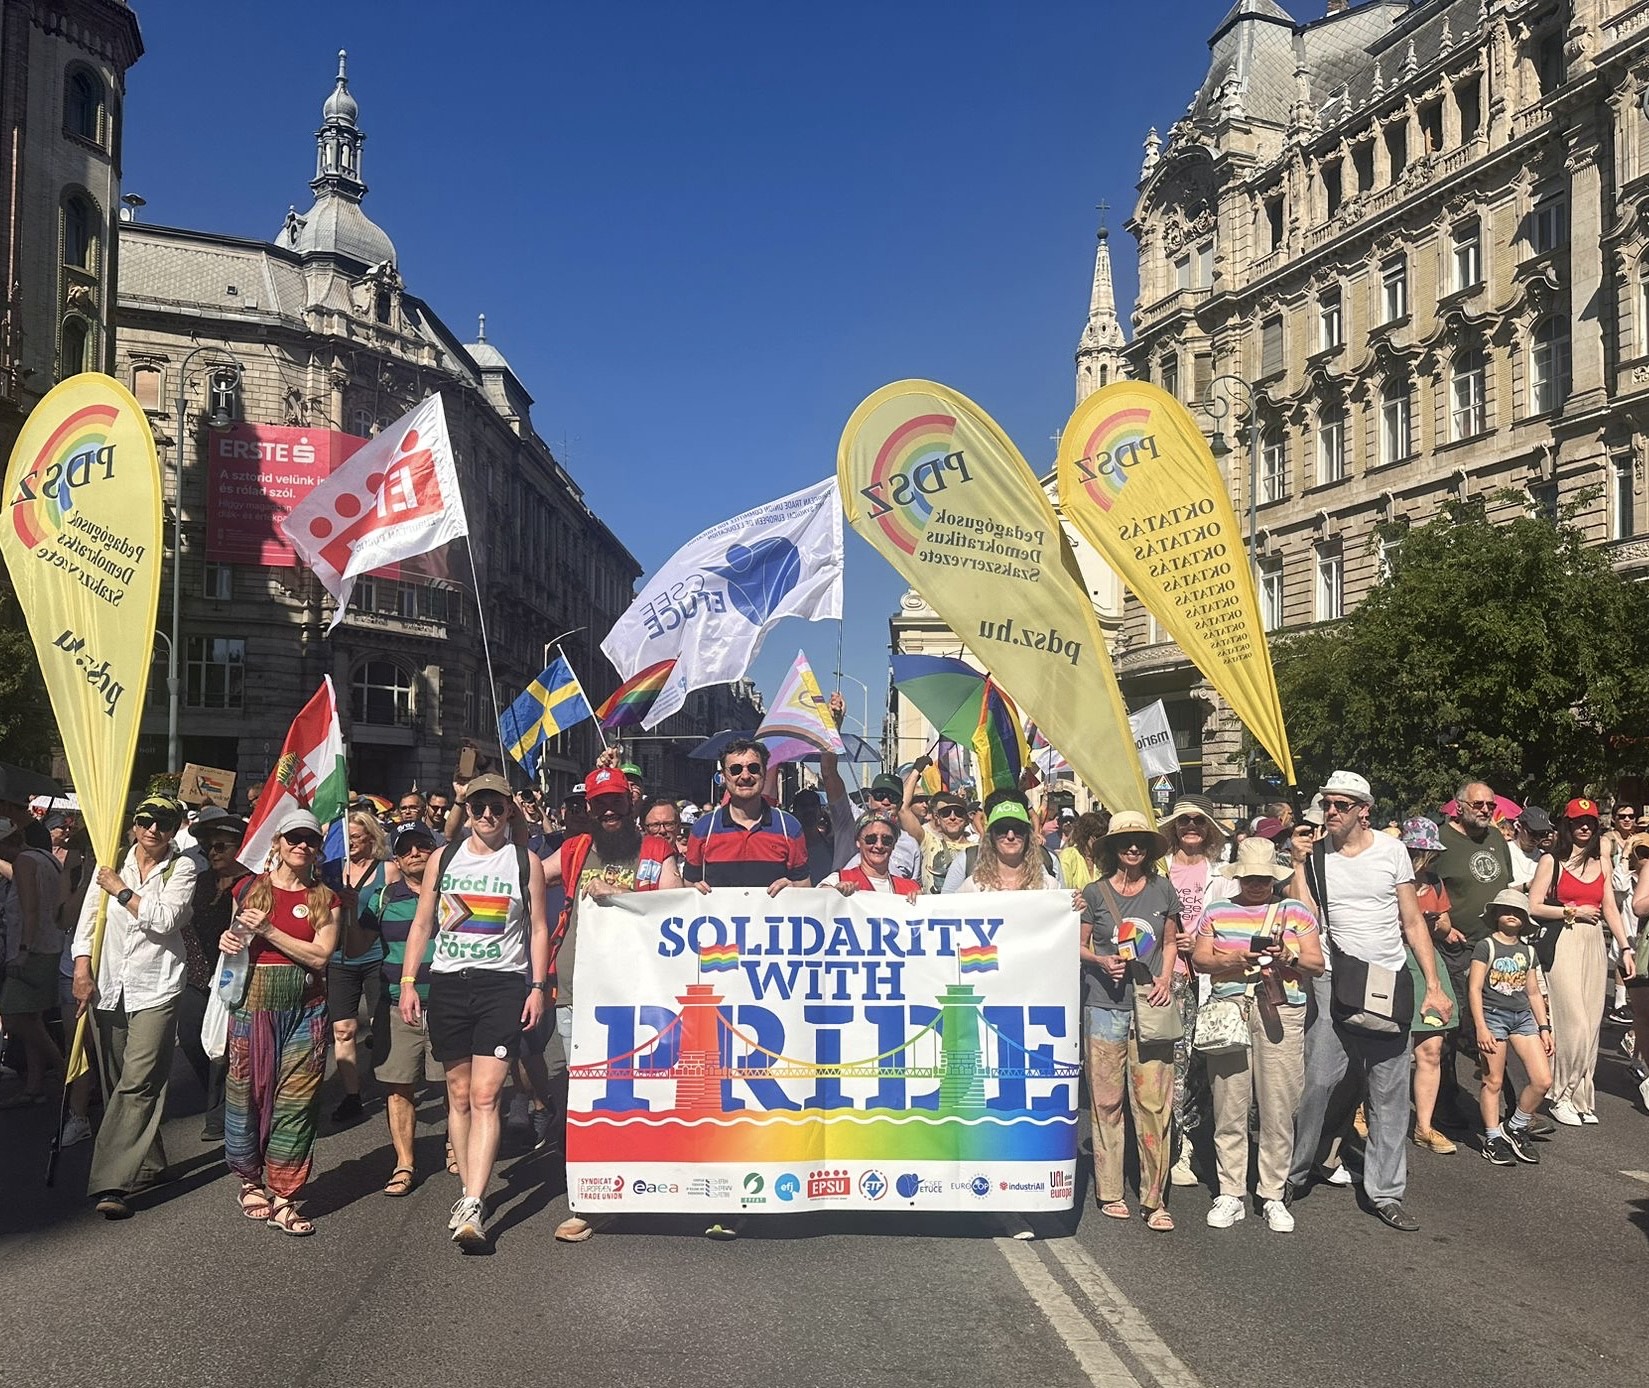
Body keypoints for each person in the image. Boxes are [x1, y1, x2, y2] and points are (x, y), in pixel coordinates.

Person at [1287, 771, 1450, 1233]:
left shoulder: (1392, 851)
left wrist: (1433, 984)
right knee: (1318, 1082)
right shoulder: (1316, 856)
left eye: (1341, 804)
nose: (1331, 812)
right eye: (1327, 804)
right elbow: (1305, 919)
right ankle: (1296, 1174)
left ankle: (1385, 1192)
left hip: (1387, 979)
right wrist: (1299, 864)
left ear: (1364, 810)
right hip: (1335, 979)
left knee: (1389, 1091)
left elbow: (1414, 921)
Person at [399, 773, 550, 1250]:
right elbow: (423, 922)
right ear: (467, 810)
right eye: (479, 806)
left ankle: (474, 1201)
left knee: (487, 1095)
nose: (487, 814)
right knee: (458, 1095)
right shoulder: (444, 858)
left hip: (501, 985)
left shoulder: (526, 863)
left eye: (497, 807)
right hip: (447, 983)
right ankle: (468, 1192)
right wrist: (408, 981)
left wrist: (538, 986)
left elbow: (540, 928)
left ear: (510, 811)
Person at [543, 765, 681, 1241]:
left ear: (632, 803)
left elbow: (674, 907)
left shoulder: (657, 851)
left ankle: (645, 1183)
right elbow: (526, 878)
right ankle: (589, 1199)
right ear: (588, 808)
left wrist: (620, 893)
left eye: (616, 801)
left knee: (634, 1089)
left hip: (638, 992)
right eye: (599, 804)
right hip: (578, 990)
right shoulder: (575, 849)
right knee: (584, 1095)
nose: (608, 810)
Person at [71, 795, 198, 1219]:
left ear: (174, 828)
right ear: (134, 826)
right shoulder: (111, 863)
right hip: (109, 985)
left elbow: (166, 919)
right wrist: (82, 969)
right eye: (146, 820)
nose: (153, 829)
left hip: (157, 986)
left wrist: (120, 891)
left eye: (164, 822)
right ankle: (151, 1162)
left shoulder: (182, 868)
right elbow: (89, 919)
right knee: (118, 1080)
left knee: (139, 1081)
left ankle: (109, 1181)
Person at [1190, 836, 1323, 1233]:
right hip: (1231, 1009)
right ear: (1238, 878)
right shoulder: (1217, 911)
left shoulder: (1295, 911)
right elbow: (1199, 958)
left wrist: (1289, 956)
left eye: (1263, 878)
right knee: (1229, 1102)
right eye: (1249, 878)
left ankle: (1272, 1193)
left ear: (1274, 877)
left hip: (1281, 1008)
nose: (1256, 885)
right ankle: (1231, 1191)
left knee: (1279, 1106)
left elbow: (1316, 963)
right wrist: (1233, 958)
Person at [218, 808, 337, 1235]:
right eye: (294, 838)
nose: (302, 845)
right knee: (244, 1092)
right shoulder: (248, 888)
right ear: (279, 843)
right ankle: (249, 1180)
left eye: (311, 839)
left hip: (307, 1009)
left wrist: (268, 930)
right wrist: (228, 939)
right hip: (251, 1004)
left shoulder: (325, 898)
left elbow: (320, 956)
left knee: (298, 1101)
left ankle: (285, 1195)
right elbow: (235, 943)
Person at [1080, 809, 1180, 1232]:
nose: (1133, 847)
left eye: (1140, 841)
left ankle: (1154, 1199)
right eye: (1125, 842)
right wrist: (1101, 960)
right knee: (1106, 1103)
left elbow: (1171, 942)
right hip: (1104, 1006)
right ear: (1113, 849)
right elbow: (1078, 945)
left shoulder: (1163, 890)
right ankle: (1110, 1191)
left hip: (1150, 1006)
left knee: (1154, 1104)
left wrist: (1165, 979)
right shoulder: (1093, 892)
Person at [1529, 797, 1635, 1125]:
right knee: (1572, 1022)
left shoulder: (1602, 863)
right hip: (1565, 939)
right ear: (1567, 824)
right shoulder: (1551, 861)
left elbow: (1611, 910)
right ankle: (1559, 1094)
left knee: (1591, 1025)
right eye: (1578, 821)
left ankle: (1580, 1096)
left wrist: (1625, 946)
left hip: (1593, 943)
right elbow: (1534, 906)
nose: (1585, 826)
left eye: (1589, 821)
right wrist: (1571, 910)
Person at [364, 823, 442, 1196]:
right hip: (398, 1005)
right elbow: (356, 944)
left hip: (448, 1004)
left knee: (455, 1087)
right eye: (407, 849)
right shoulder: (381, 898)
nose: (415, 853)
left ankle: (456, 1148)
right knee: (399, 1088)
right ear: (396, 858)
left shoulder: (453, 894)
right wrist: (349, 909)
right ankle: (404, 1163)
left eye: (423, 845)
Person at [1160, 798, 1234, 1187]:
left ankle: (1189, 1143)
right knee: (1172, 1062)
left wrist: (1203, 944)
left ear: (1209, 830)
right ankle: (1171, 1150)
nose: (1191, 827)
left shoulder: (1220, 874)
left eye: (1199, 822)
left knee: (1201, 1065)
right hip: (1167, 975)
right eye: (1184, 821)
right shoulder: (1160, 868)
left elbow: (1234, 922)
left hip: (1207, 977)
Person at [175, 814, 250, 1142]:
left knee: (226, 1045)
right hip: (196, 974)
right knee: (191, 1036)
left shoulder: (251, 884)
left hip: (235, 976)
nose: (213, 852)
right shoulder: (199, 882)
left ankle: (219, 1113)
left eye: (221, 846)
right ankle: (217, 1093)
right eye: (207, 846)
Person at [323, 811, 398, 1123]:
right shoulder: (330, 871)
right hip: (339, 959)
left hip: (377, 956)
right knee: (343, 1029)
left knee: (381, 1026)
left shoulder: (388, 870)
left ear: (371, 838)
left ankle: (392, 1081)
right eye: (346, 838)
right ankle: (352, 1095)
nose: (350, 844)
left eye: (355, 837)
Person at [1469, 890, 1552, 1166]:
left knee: (1542, 1080)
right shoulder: (1486, 946)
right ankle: (1492, 1137)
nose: (1512, 915)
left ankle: (1515, 1126)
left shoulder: (1528, 951)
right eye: (1505, 910)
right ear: (1495, 915)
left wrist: (1544, 1026)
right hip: (1493, 1015)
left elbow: (1533, 992)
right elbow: (1475, 988)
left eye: (1518, 911)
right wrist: (1480, 1026)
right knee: (1492, 1080)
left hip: (1523, 1017)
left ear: (1525, 919)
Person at [1398, 816, 1462, 1155]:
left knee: (1432, 1048)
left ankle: (1424, 1125)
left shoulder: (1435, 883)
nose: (1423, 859)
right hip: (1393, 960)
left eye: (1427, 853)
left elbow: (1444, 923)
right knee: (1384, 1045)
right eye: (1419, 851)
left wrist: (1434, 924)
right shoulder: (1389, 880)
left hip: (1426, 964)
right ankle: (1360, 1109)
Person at [685, 740, 810, 895]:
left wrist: (794, 890)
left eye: (753, 768)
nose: (745, 776)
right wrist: (694, 891)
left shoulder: (789, 827)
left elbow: (804, 888)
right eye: (736, 769)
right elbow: (688, 889)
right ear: (724, 776)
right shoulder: (703, 828)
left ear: (764, 773)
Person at [0, 816, 66, 1105]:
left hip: (33, 950)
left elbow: (30, 910)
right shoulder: (44, 858)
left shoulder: (26, 861)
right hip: (50, 946)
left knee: (14, 1017)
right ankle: (34, 1086)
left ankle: (66, 1072)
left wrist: (24, 949)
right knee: (32, 1018)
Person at [957, 800, 1061, 891]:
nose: (1010, 836)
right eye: (1001, 829)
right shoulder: (973, 886)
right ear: (991, 837)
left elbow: (1066, 910)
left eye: (1018, 829)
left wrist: (1076, 903)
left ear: (1028, 835)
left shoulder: (1048, 886)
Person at [900, 772, 977, 893]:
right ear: (938, 818)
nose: (952, 817)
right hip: (933, 910)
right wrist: (916, 771)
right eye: (946, 813)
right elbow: (902, 809)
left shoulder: (977, 850)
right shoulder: (928, 841)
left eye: (958, 813)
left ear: (967, 819)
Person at [821, 812, 922, 901]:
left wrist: (922, 902)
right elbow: (814, 901)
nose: (879, 846)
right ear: (858, 842)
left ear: (894, 845)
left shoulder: (911, 887)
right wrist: (832, 894)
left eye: (886, 840)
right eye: (871, 839)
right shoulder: (838, 879)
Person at [1507, 806, 1555, 892]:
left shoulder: (1544, 857)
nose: (1536, 839)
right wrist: (1526, 887)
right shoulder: (1506, 851)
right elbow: (1498, 890)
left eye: (1542, 834)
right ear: (1518, 826)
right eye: (1532, 832)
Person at [1059, 811, 1108, 894]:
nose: (1101, 841)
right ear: (1085, 835)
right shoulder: (1069, 856)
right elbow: (1064, 891)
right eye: (1098, 836)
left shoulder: (1104, 859)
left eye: (1104, 836)